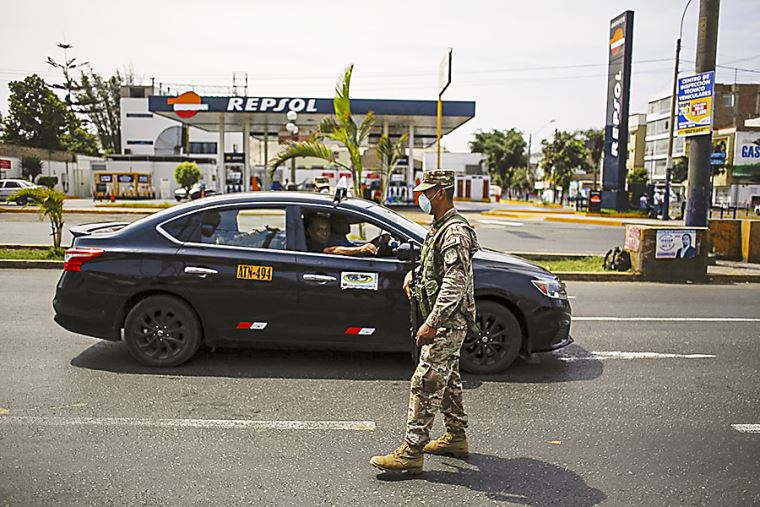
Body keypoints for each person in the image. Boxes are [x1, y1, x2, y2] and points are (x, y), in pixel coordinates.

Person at [369, 169, 480, 475]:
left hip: (447, 321)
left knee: (425, 381)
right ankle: (456, 437)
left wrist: (432, 322)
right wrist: (412, 274)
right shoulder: (439, 226)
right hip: (445, 318)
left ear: (441, 193)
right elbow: (434, 265)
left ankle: (411, 451)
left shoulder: (455, 231)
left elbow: (455, 284)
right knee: (448, 380)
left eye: (425, 192)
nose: (421, 197)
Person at [305, 215, 377, 256]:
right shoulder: (310, 244)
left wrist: (375, 243)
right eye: (319, 230)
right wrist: (360, 249)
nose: (324, 233)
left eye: (327, 229)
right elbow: (331, 251)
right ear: (310, 231)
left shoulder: (334, 239)